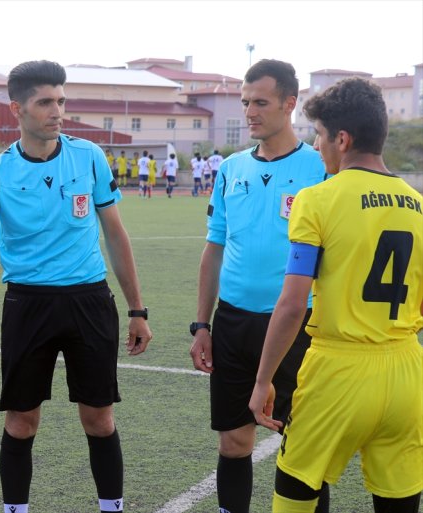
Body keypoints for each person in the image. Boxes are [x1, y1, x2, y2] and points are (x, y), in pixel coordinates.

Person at [0, 60, 152, 513]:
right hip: (28, 305)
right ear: (17, 109)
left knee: (100, 419)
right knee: (22, 422)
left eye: (61, 101)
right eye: (46, 102)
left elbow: (116, 237)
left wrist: (137, 309)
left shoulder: (89, 157)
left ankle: (112, 508)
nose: (58, 111)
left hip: (89, 301)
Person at [249, 77, 422, 513]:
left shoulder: (317, 200)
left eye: (320, 136)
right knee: (399, 500)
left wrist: (263, 378)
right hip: (405, 370)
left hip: (338, 371)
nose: (318, 146)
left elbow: (291, 305)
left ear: (342, 139)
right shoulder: (419, 204)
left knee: (295, 493)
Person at [188, 60, 328, 513]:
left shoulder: (321, 168)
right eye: (246, 102)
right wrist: (201, 324)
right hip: (232, 322)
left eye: (260, 102)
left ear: (291, 104)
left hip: (297, 324)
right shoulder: (230, 169)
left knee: (303, 448)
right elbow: (214, 249)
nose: (250, 111)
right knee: (233, 442)